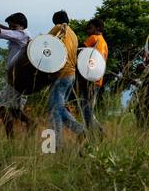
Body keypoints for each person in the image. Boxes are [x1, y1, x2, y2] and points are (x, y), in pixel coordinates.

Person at [46, 10, 85, 146]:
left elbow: (45, 45)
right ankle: (79, 130)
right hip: (71, 75)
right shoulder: (73, 34)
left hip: (61, 74)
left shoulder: (58, 28)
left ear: (55, 21)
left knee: (53, 110)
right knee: (60, 108)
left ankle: (56, 145)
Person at [81, 19, 109, 132]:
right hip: (98, 79)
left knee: (86, 108)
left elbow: (81, 50)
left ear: (98, 28)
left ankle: (94, 132)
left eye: (90, 28)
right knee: (89, 108)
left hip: (89, 78)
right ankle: (97, 131)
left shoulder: (93, 38)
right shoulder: (104, 43)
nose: (88, 30)